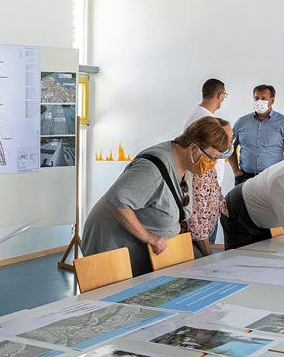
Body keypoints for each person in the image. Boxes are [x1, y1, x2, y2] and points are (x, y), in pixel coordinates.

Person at [82, 117, 231, 277]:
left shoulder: (187, 165)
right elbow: (117, 200)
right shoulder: (152, 169)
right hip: (111, 247)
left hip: (145, 251)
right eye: (212, 157)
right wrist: (149, 237)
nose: (212, 163)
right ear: (193, 148)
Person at [229, 84, 284, 185]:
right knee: (241, 201)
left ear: (272, 101)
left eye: (264, 98)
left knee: (273, 201)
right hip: (244, 177)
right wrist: (236, 171)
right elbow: (229, 146)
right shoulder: (241, 122)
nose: (259, 101)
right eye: (256, 98)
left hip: (273, 178)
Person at [185, 119, 233, 256]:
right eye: (227, 139)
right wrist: (208, 254)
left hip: (209, 229)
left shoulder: (210, 164)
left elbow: (215, 194)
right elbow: (196, 218)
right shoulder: (200, 168)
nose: (229, 144)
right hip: (197, 239)